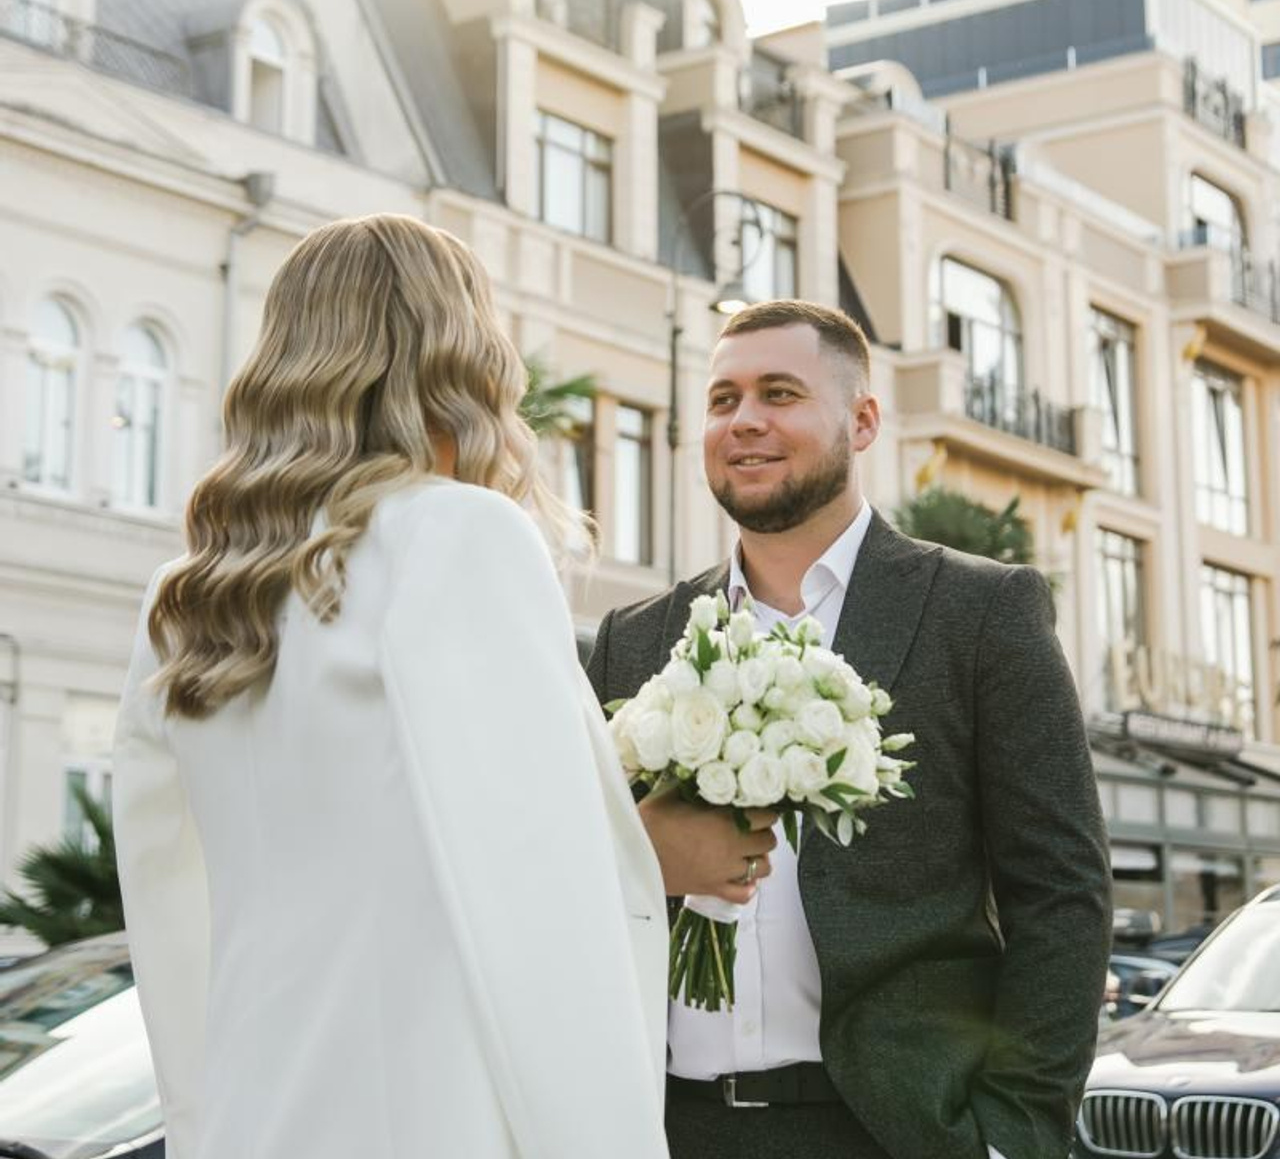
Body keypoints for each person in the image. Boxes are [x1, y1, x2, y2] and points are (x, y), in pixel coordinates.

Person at [113, 215, 670, 1159]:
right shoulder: (459, 537)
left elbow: (167, 909)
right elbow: (541, 913)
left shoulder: (186, 598)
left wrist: (203, 1128)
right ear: (461, 359)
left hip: (255, 1121)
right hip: (432, 1118)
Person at [586, 299, 1112, 1159]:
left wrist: (1015, 1133)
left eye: (779, 393)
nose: (744, 421)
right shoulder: (634, 641)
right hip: (668, 1129)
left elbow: (1062, 893)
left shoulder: (981, 613)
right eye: (722, 400)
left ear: (862, 420)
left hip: (896, 1128)